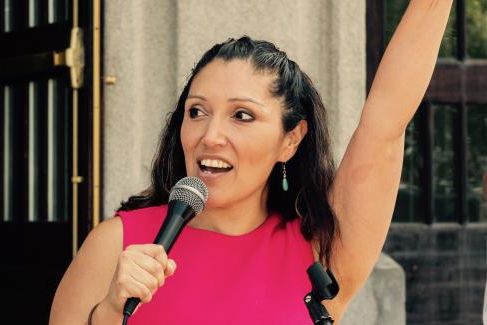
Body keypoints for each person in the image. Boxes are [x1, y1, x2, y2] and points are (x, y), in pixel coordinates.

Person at [49, 1, 453, 324]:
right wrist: (109, 312)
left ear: (290, 140)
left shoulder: (319, 250)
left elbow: (385, 126)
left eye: (242, 115)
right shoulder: (116, 245)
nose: (210, 135)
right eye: (197, 112)